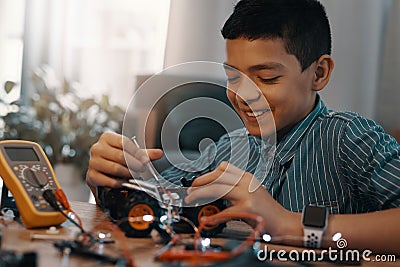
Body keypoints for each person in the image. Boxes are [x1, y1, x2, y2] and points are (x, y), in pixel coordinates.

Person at [86, 0, 400, 255]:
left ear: (318, 73)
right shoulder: (227, 149)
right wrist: (113, 183)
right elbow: (157, 206)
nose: (244, 95)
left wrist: (290, 224)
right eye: (234, 77)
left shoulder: (350, 139)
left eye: (267, 78)